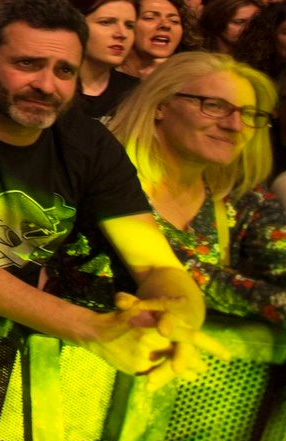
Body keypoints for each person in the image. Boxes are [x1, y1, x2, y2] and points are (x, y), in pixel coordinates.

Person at [0, 0, 211, 386]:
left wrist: (178, 320)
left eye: (65, 71)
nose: (46, 85)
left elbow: (156, 264)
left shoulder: (88, 142)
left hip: (3, 347)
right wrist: (93, 328)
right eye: (27, 64)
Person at [106, 53, 284, 323]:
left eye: (248, 114)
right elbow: (177, 271)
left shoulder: (241, 195)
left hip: (189, 361)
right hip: (76, 354)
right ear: (160, 105)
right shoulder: (104, 176)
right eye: (214, 106)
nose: (234, 125)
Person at [69, 0, 142, 122]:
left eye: (129, 26)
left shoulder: (135, 92)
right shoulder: (53, 86)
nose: (121, 34)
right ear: (76, 26)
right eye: (106, 22)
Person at [120, 0, 186, 79]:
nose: (166, 25)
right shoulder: (102, 79)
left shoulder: (189, 83)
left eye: (174, 21)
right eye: (150, 18)